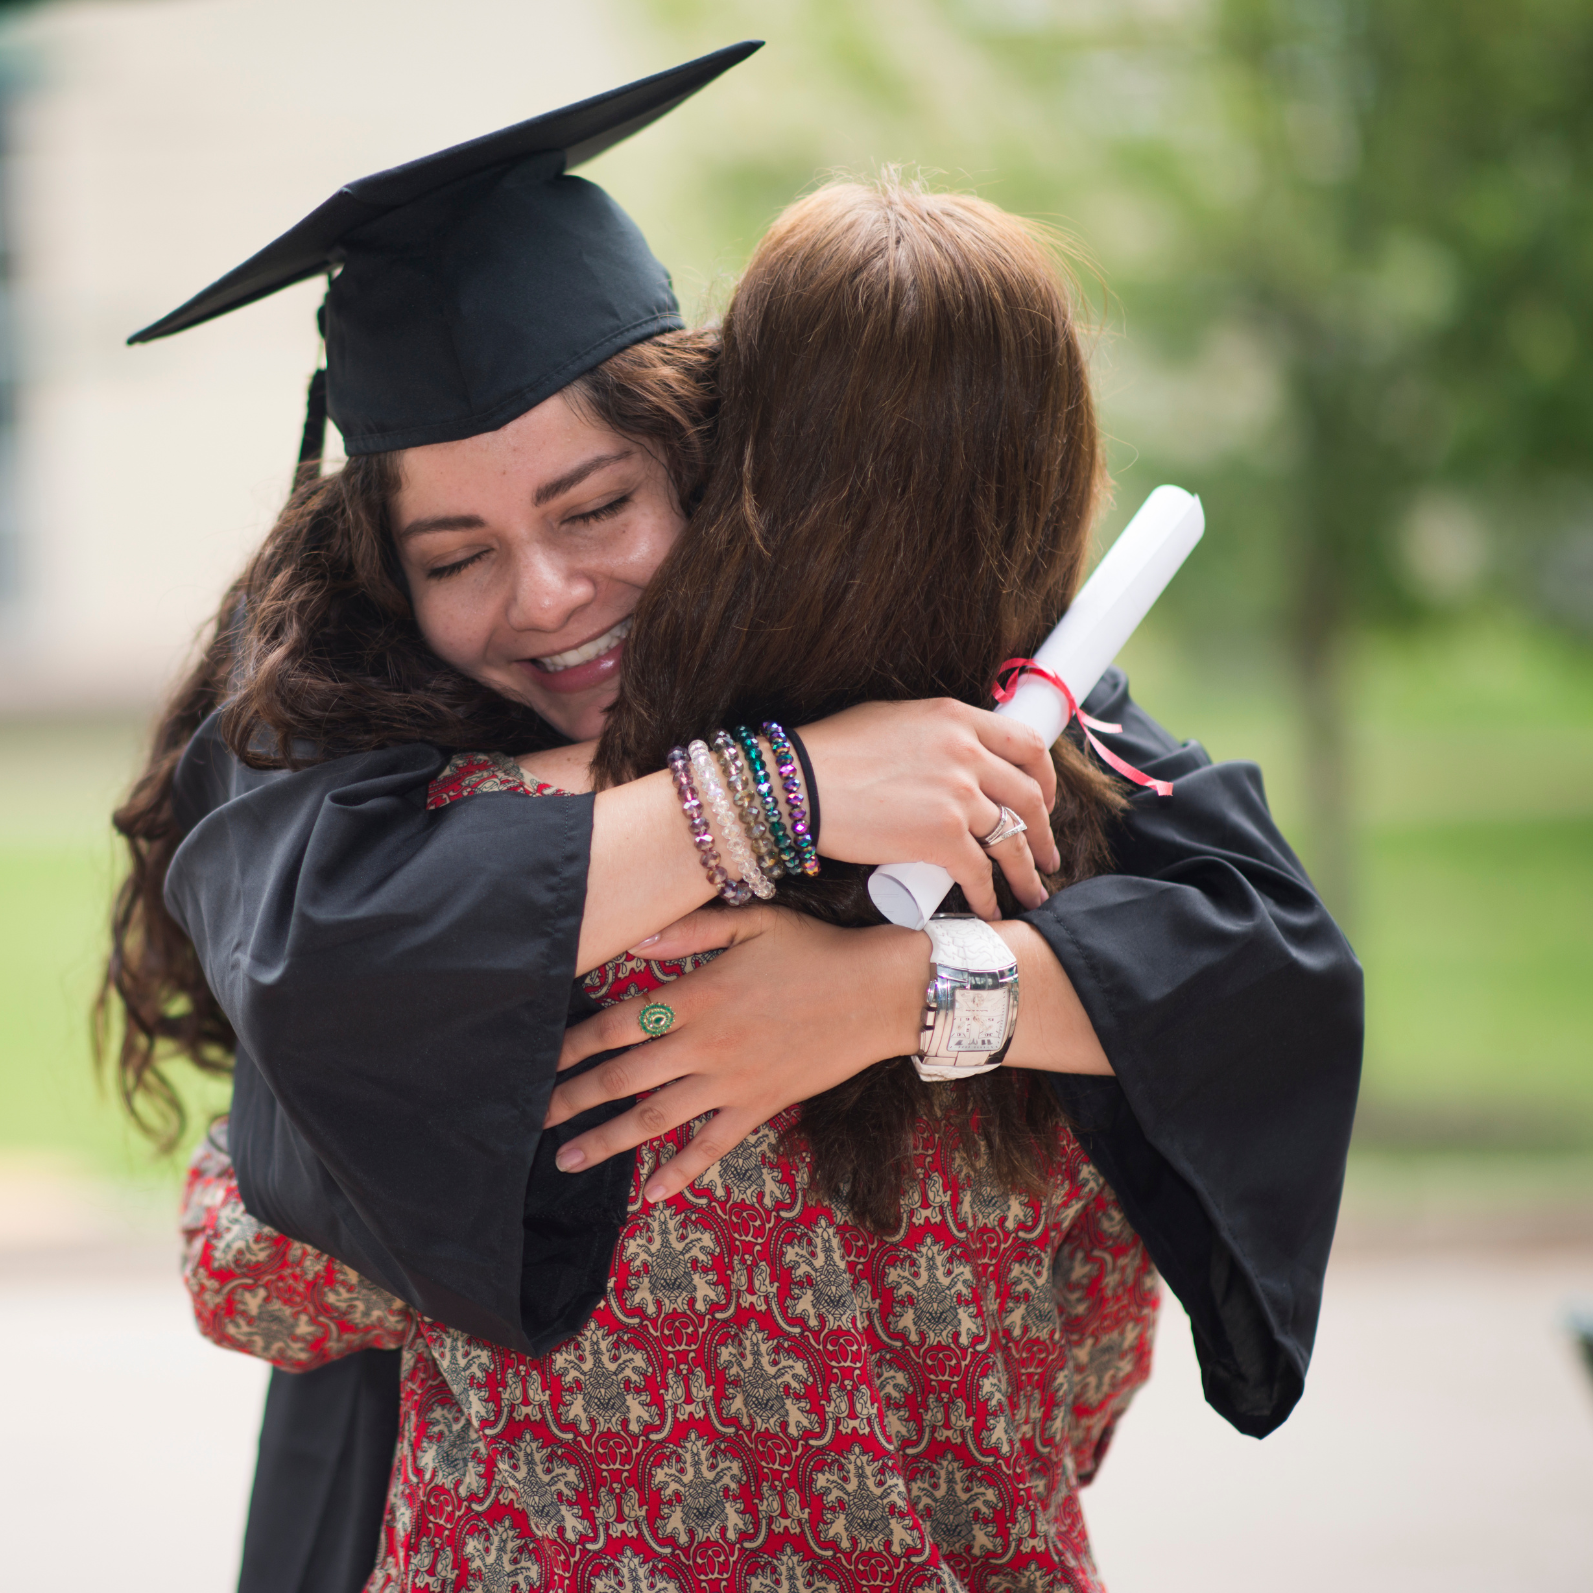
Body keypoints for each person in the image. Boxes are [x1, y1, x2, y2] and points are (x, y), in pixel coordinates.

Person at [103, 44, 1361, 1593]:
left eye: (596, 506)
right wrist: (788, 792)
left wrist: (890, 995)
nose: (548, 598)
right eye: (455, 556)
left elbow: (1261, 952)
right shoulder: (331, 732)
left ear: (706, 457)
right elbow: (311, 1056)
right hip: (386, 1466)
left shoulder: (965, 721)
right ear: (382, 577)